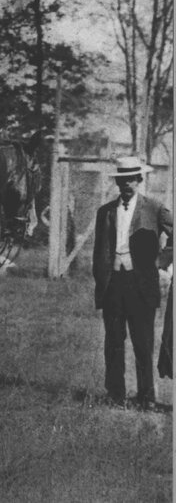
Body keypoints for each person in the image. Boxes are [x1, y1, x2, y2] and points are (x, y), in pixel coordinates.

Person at [92, 156, 173, 409]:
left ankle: (146, 397)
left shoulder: (155, 208)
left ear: (140, 180)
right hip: (113, 284)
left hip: (141, 286)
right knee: (113, 341)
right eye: (123, 179)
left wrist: (161, 261)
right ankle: (115, 394)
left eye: (132, 179)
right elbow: (99, 250)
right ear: (118, 182)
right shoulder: (105, 211)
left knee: (143, 343)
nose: (128, 183)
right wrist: (101, 276)